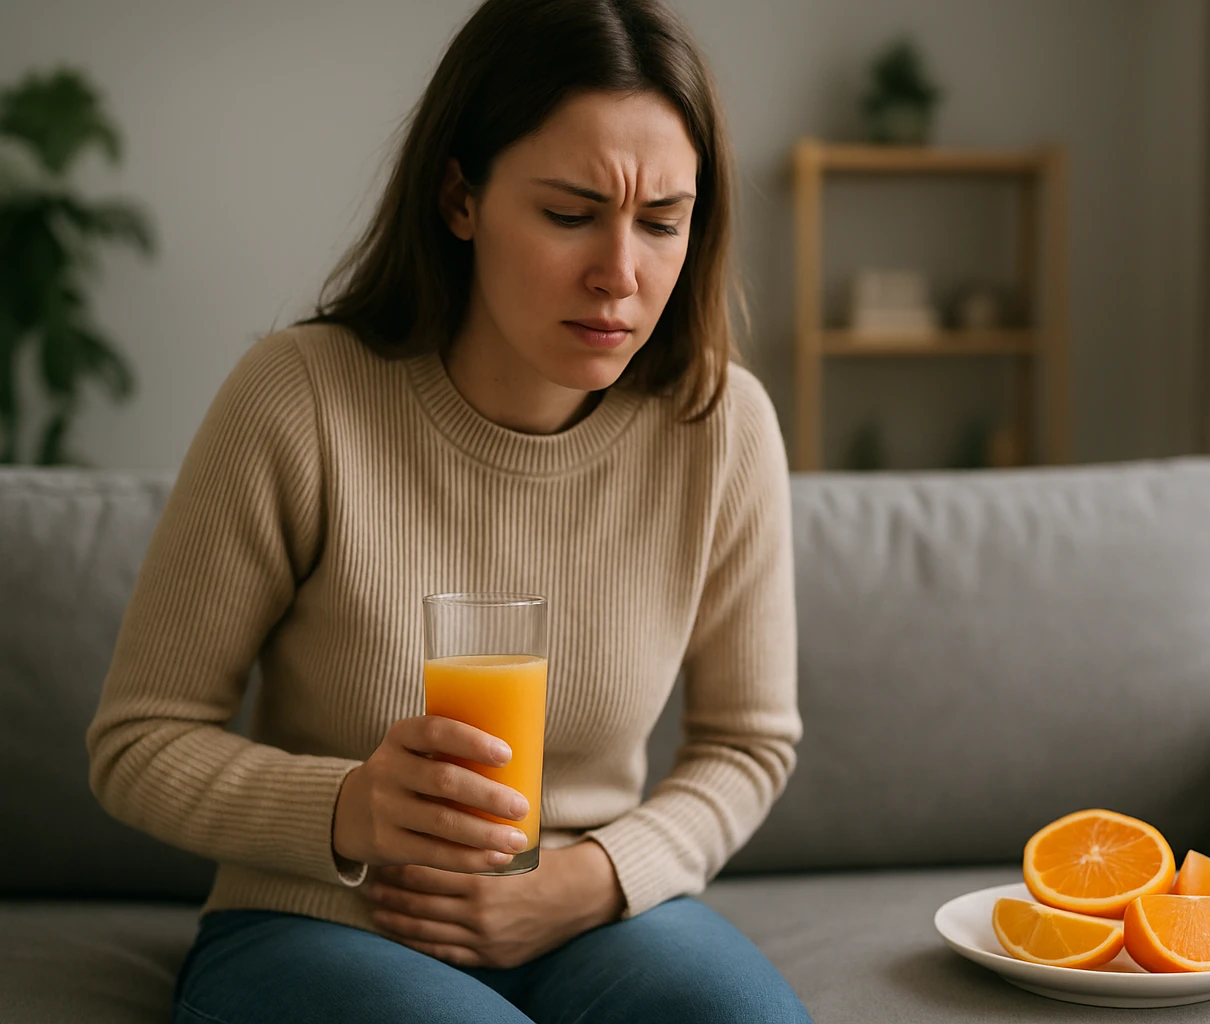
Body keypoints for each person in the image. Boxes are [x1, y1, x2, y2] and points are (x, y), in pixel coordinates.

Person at [84, 1, 810, 1021]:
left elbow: (748, 742)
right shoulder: (300, 398)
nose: (621, 273)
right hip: (317, 921)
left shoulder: (720, 423)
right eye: (569, 213)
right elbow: (138, 741)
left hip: (589, 916)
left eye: (661, 221)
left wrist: (589, 880)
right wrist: (348, 807)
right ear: (459, 197)